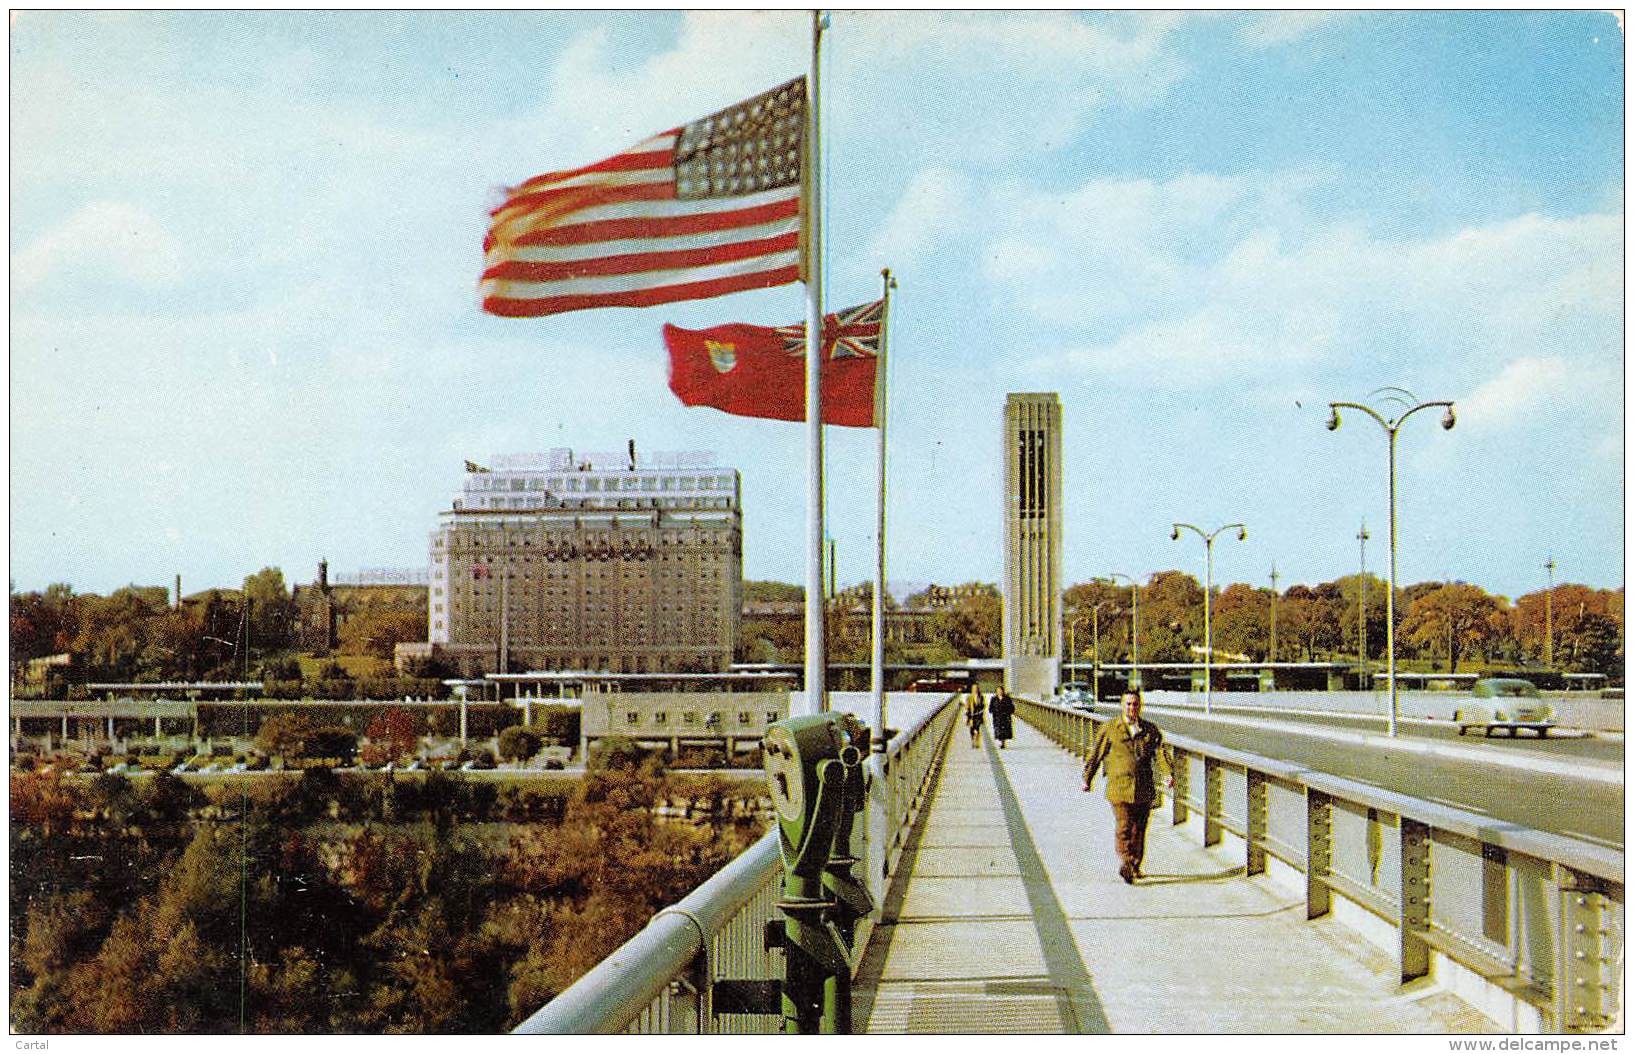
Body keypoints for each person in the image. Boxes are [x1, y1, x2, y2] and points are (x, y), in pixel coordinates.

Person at [1082, 689, 1172, 884]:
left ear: (1140, 706)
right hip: (1119, 786)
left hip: (1143, 787)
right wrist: (1087, 778)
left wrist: (1168, 774)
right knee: (1124, 826)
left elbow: (1160, 754)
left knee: (1139, 828)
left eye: (1135, 704)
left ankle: (1135, 865)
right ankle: (1126, 862)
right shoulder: (1110, 729)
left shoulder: (1150, 730)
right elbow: (1096, 754)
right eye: (1128, 704)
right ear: (1122, 706)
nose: (1132, 708)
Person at [988, 685, 1015, 749]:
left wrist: (1007, 712)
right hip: (997, 717)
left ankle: (1003, 743)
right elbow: (990, 708)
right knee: (999, 730)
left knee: (1004, 730)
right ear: (996, 692)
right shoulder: (994, 699)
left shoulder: (1007, 698)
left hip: (1005, 717)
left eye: (1000, 690)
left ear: (1003, 691)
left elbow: (1012, 708)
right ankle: (1001, 741)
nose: (999, 692)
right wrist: (994, 711)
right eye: (998, 691)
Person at [963, 684, 986, 748]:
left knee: (977, 729)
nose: (975, 690)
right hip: (971, 716)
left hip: (978, 715)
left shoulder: (981, 697)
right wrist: (967, 708)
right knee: (972, 729)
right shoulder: (969, 697)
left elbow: (983, 705)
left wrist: (982, 710)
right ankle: (973, 740)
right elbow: (966, 706)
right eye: (974, 688)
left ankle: (977, 742)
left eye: (976, 688)